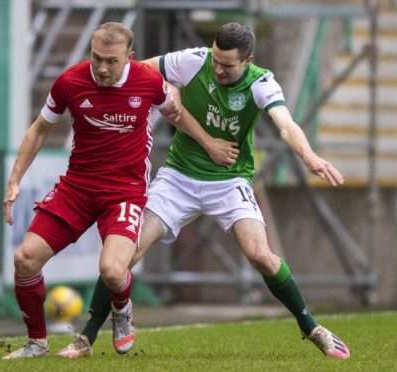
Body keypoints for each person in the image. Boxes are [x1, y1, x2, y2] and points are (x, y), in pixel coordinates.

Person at [62, 22, 351, 360]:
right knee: (126, 252)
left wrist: (309, 156)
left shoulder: (261, 83)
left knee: (260, 255)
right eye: (215, 60)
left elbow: (286, 125)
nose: (217, 69)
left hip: (229, 182)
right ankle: (85, 339)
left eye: (226, 65)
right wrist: (145, 87)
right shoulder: (194, 61)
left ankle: (313, 328)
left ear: (247, 61)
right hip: (179, 178)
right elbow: (136, 68)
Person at [1, 22, 235, 360]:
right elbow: (39, 130)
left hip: (124, 192)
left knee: (112, 270)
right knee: (25, 259)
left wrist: (210, 143)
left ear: (130, 58)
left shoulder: (149, 81)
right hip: (77, 188)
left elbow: (177, 113)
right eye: (97, 58)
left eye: (112, 60)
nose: (103, 68)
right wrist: (15, 179)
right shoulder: (69, 82)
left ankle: (122, 309)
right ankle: (36, 343)